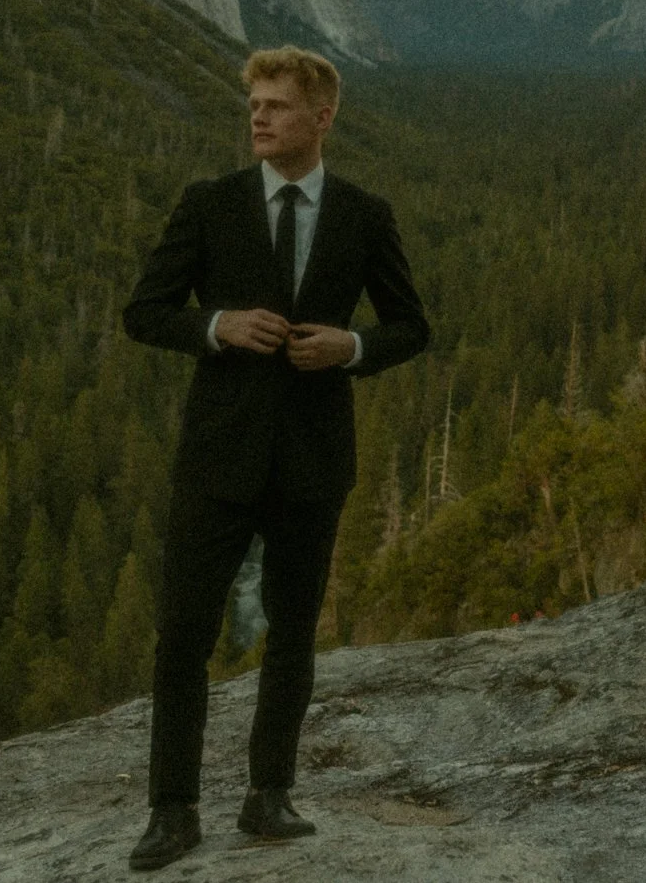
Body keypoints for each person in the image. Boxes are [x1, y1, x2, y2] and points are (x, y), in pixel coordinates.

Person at [121, 47, 429, 869]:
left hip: (312, 459)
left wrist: (351, 344)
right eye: (253, 103)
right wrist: (214, 326)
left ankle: (269, 797)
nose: (257, 117)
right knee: (183, 632)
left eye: (277, 106)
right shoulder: (210, 204)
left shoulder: (364, 215)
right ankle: (172, 810)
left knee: (292, 632)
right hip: (218, 456)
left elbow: (411, 326)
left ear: (321, 117)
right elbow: (144, 310)